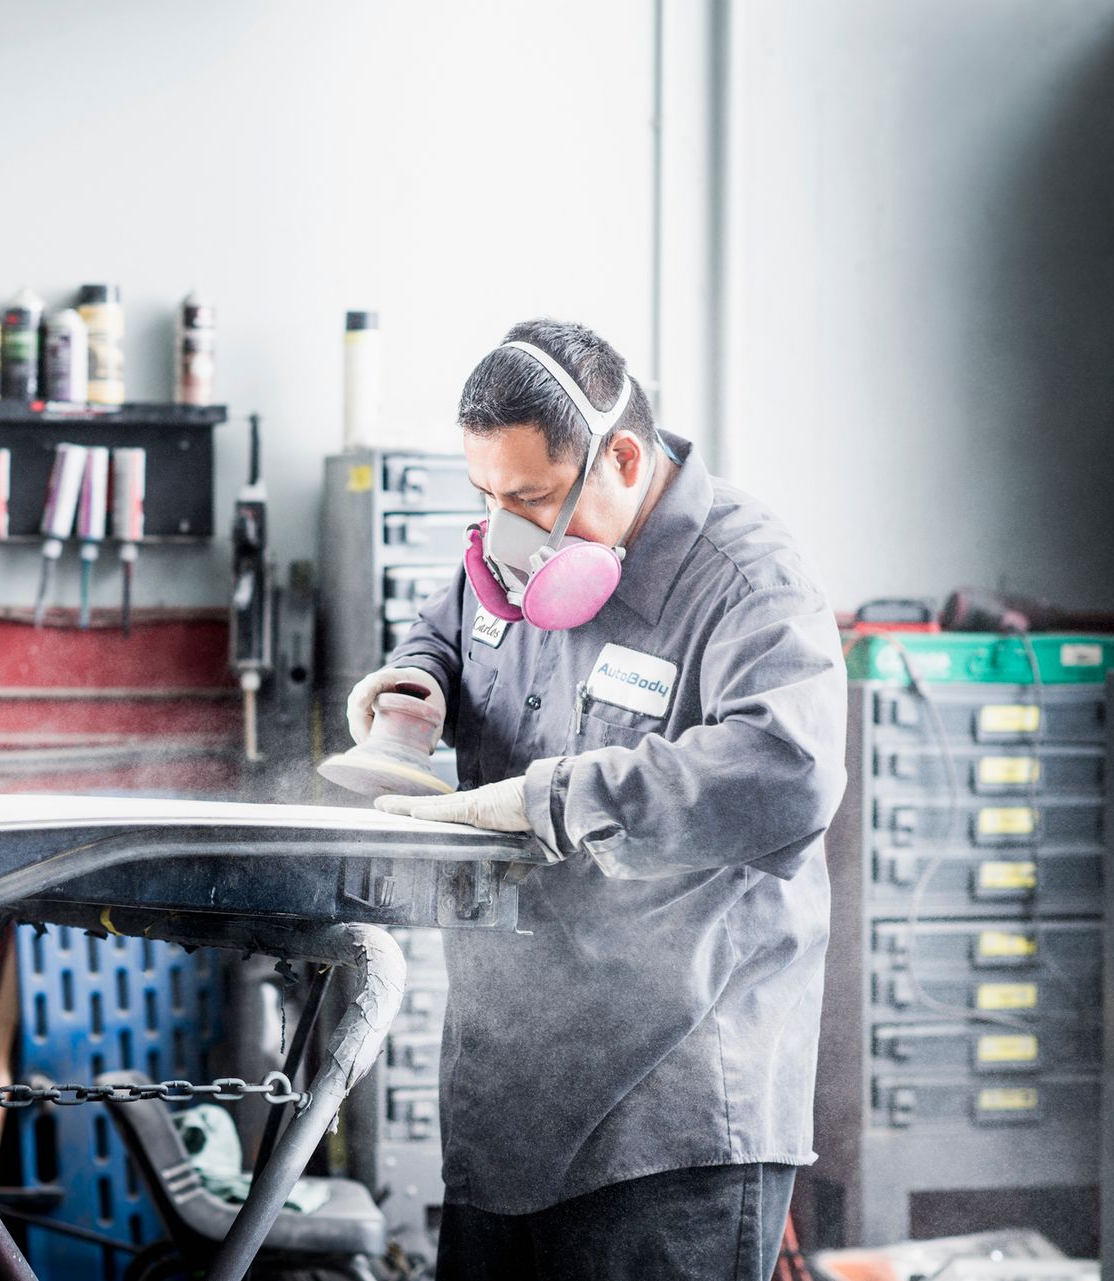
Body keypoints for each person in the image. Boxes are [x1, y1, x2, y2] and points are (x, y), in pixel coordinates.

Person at [353, 319, 846, 1280]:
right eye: (486, 496)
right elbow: (450, 630)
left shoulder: (747, 579)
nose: (506, 532)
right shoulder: (513, 552)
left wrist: (562, 799)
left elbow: (787, 769)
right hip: (508, 1103)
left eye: (533, 498)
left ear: (621, 457)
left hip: (671, 1126)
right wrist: (419, 683)